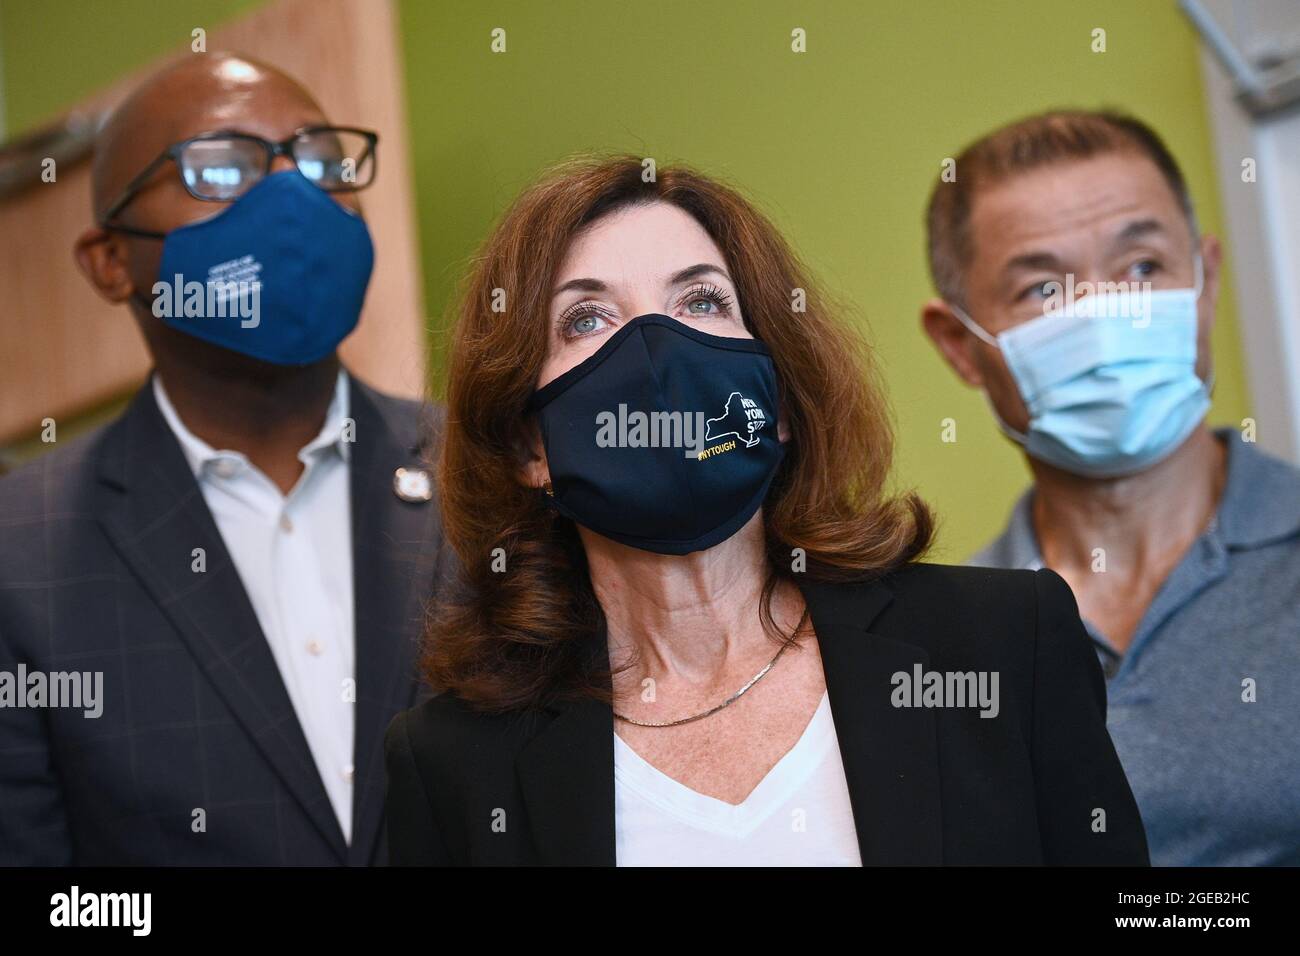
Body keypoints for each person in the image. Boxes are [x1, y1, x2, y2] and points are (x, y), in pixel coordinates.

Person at [384, 155, 1149, 866]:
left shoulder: (1002, 642)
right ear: (529, 447)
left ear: (776, 401)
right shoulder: (454, 762)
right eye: (587, 319)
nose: (658, 345)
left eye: (702, 300)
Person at [0, 53, 450, 865]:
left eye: (322, 161)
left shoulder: (497, 480)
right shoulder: (17, 553)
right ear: (108, 261)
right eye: (220, 168)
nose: (294, 196)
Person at [920, 110, 1300, 866]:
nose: (1107, 315)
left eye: (1142, 269)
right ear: (961, 346)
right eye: (1043, 289)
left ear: (1207, 281)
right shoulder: (943, 639)